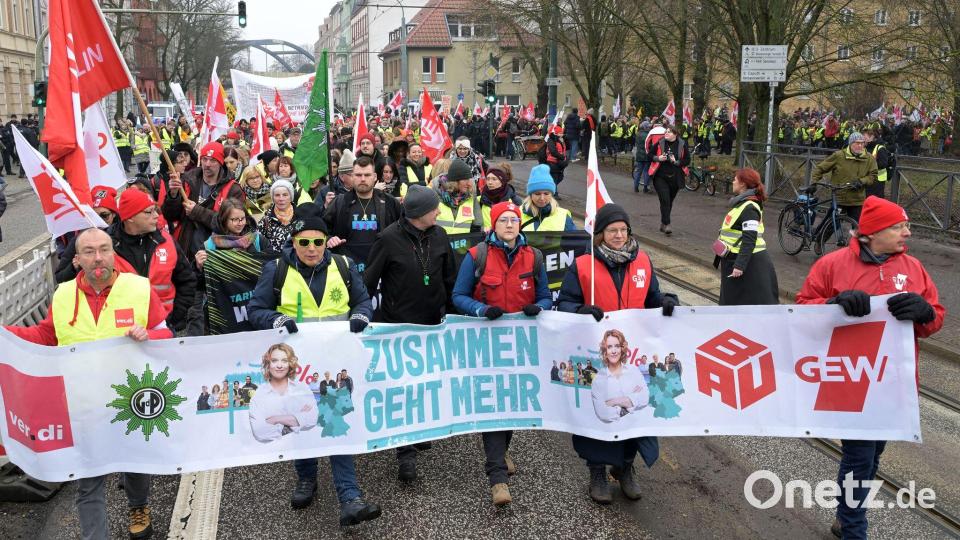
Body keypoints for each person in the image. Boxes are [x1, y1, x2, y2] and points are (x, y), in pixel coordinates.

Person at [4, 227, 172, 540]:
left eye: (104, 249)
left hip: (130, 400)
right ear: (77, 259)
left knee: (135, 463)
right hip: (82, 404)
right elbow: (46, 335)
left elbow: (167, 334)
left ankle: (138, 505)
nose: (98, 258)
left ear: (113, 254)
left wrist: (149, 334)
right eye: (89, 251)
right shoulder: (64, 294)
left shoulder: (138, 288)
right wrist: (6, 335)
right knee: (88, 482)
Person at [796, 196, 945, 540]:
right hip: (850, 379)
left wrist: (925, 313)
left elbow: (935, 316)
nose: (908, 232)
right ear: (874, 232)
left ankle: (845, 515)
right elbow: (802, 310)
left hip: (892, 382)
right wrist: (833, 304)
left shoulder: (913, 267)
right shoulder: (832, 265)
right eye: (899, 226)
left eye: (907, 225)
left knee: (874, 452)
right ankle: (853, 528)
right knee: (859, 456)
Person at [246, 205, 379, 524]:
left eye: (318, 242)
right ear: (293, 242)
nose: (311, 249)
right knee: (300, 421)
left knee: (335, 422)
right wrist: (276, 319)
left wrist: (362, 315)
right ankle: (306, 477)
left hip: (335, 364)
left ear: (325, 242)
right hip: (297, 367)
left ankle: (350, 497)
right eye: (304, 242)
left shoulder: (344, 266)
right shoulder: (277, 270)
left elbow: (362, 300)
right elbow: (256, 310)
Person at [555, 204, 679, 504]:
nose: (619, 235)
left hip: (631, 356)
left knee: (632, 410)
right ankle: (596, 470)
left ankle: (624, 467)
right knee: (598, 411)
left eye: (623, 230)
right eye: (613, 230)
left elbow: (652, 297)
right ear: (600, 234)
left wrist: (666, 300)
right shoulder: (583, 266)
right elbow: (565, 303)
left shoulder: (643, 262)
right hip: (595, 355)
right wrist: (580, 309)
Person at [451, 201, 552, 506]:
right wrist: (481, 310)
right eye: (503, 220)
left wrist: (538, 307)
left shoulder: (534, 257)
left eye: (514, 220)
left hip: (520, 347)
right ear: (493, 225)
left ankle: (502, 451)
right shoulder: (476, 256)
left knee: (512, 403)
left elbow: (546, 296)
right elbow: (458, 295)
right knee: (493, 406)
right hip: (486, 345)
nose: (509, 224)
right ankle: (497, 479)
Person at [364, 185, 458, 481]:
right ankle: (405, 452)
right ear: (419, 213)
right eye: (434, 208)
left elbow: (450, 280)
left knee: (426, 383)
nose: (439, 212)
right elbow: (368, 283)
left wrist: (454, 317)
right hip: (398, 328)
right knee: (402, 388)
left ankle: (419, 430)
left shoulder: (440, 235)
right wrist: (364, 318)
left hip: (432, 325)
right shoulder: (388, 239)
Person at [163, 141, 244, 263]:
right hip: (185, 251)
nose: (207, 164)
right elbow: (170, 215)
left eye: (213, 160)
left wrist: (197, 211)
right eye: (204, 159)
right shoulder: (188, 180)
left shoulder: (233, 189)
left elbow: (232, 225)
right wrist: (173, 195)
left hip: (215, 256)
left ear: (221, 162)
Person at [323, 156, 402, 271]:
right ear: (352, 176)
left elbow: (403, 231)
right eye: (358, 175)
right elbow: (321, 229)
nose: (363, 179)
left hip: (382, 269)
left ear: (375, 177)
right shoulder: (340, 202)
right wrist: (329, 239)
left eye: (367, 175)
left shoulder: (390, 202)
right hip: (348, 269)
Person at [716, 168, 779, 305]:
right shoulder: (741, 203)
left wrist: (739, 266)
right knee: (734, 301)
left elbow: (749, 239)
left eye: (735, 179)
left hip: (748, 263)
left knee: (743, 303)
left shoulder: (749, 208)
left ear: (743, 184)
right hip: (736, 259)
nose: (733, 182)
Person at [811, 132, 878, 221]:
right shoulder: (839, 155)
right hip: (840, 199)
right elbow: (820, 168)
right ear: (850, 144)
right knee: (832, 225)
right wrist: (814, 183)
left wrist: (862, 181)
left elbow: (873, 175)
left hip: (857, 200)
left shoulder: (869, 158)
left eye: (862, 143)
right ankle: (823, 230)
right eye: (857, 143)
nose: (860, 146)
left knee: (858, 227)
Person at [591, 329, 649, 421]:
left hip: (636, 427)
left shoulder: (633, 370)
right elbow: (603, 413)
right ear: (605, 351)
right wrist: (632, 399)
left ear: (622, 348)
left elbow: (645, 398)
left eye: (617, 346)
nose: (614, 351)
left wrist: (614, 402)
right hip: (611, 429)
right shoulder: (598, 380)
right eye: (609, 347)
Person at [648, 126, 689, 235]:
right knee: (665, 200)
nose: (666, 133)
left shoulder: (682, 144)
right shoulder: (660, 143)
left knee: (669, 201)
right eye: (666, 132)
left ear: (675, 134)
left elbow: (687, 160)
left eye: (669, 132)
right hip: (660, 177)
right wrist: (658, 158)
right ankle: (667, 224)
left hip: (675, 177)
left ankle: (663, 222)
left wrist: (676, 161)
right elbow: (649, 155)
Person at [520, 165, 576, 232]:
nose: (542, 198)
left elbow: (573, 238)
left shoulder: (563, 216)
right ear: (530, 195)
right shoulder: (517, 213)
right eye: (537, 194)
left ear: (551, 194)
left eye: (546, 194)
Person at [434, 159, 482, 234]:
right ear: (455, 181)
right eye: (465, 180)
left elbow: (478, 226)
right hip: (439, 241)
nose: (469, 184)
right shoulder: (433, 195)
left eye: (469, 179)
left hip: (464, 241)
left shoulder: (471, 196)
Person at [257, 180, 297, 253]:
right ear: (273, 198)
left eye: (285, 195)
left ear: (291, 197)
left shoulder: (300, 216)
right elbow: (258, 245)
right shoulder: (266, 220)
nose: (281, 199)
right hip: (273, 259)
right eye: (277, 195)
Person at [478, 164, 523, 229]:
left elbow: (519, 224)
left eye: (494, 179)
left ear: (502, 181)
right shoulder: (480, 200)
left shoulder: (514, 202)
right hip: (486, 235)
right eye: (488, 179)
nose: (490, 182)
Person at [863, 129, 892, 199]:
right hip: (869, 178)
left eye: (865, 137)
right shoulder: (865, 148)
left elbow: (883, 164)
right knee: (868, 198)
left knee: (877, 199)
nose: (863, 139)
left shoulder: (880, 148)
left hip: (878, 180)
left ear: (872, 137)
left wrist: (869, 165)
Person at [541, 125, 569, 198]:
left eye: (562, 133)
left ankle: (549, 188)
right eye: (560, 133)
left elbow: (567, 147)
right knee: (555, 178)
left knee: (560, 177)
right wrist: (562, 157)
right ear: (556, 133)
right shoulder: (551, 140)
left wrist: (565, 139)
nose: (562, 134)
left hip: (559, 162)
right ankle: (554, 194)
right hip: (552, 162)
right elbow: (553, 151)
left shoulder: (561, 140)